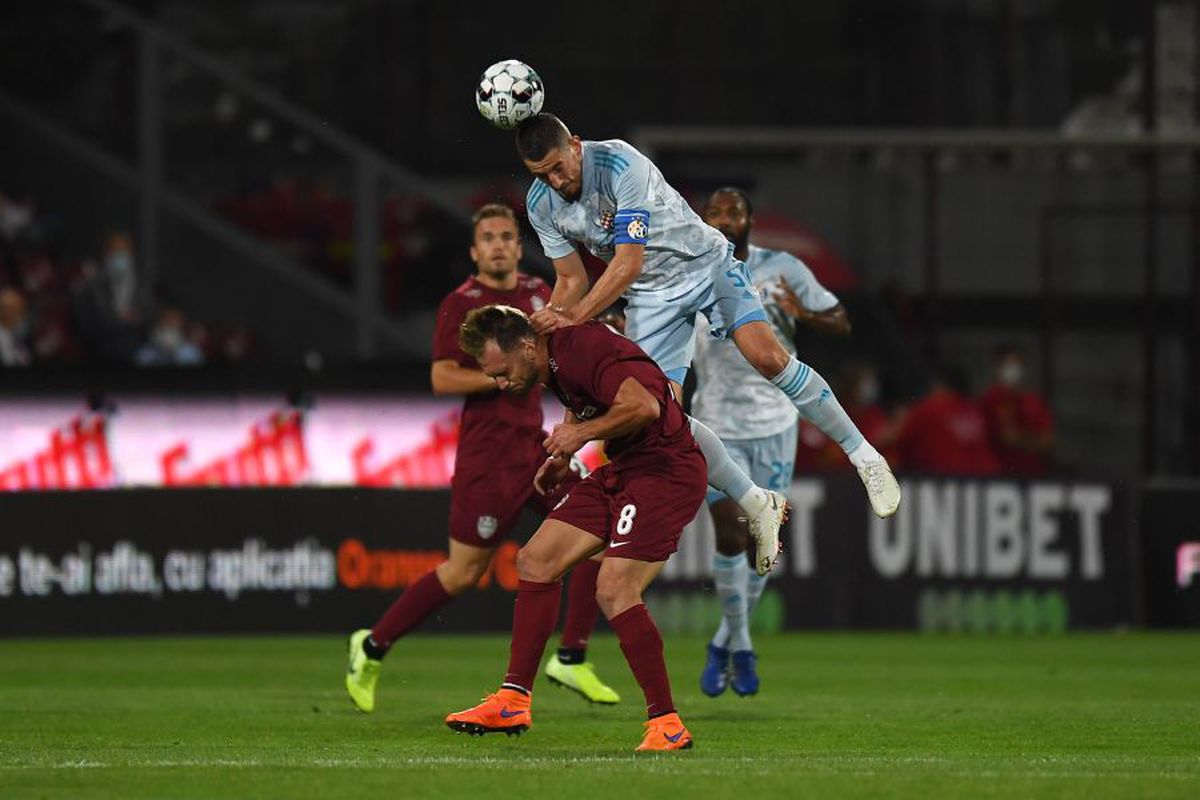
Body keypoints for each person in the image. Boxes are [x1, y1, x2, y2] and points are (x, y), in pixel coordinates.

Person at [513, 114, 899, 578]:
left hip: (704, 267)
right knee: (660, 418)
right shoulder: (540, 202)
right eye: (542, 175)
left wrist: (574, 317)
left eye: (559, 167)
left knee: (768, 357)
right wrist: (553, 332)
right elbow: (571, 279)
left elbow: (628, 262)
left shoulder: (619, 163)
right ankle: (758, 502)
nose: (556, 181)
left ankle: (865, 457)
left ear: (575, 145)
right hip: (652, 298)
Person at [345, 204, 619, 713]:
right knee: (462, 573)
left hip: (535, 446)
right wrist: (501, 376)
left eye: (506, 236)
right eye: (487, 238)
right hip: (487, 456)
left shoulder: (538, 293)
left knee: (602, 525)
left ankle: (572, 655)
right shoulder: (460, 304)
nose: (497, 244)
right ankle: (371, 645)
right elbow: (442, 378)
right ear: (474, 251)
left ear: (519, 245)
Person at [445, 306, 705, 752]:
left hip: (665, 472)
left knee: (614, 588)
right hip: (625, 468)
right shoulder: (553, 363)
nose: (501, 384)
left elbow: (644, 405)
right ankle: (513, 700)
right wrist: (562, 456)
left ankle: (666, 722)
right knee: (535, 560)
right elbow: (581, 401)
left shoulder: (580, 348)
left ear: (527, 347)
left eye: (502, 373)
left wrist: (580, 435)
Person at [692, 187, 850, 698]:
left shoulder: (783, 268)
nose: (722, 220)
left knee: (765, 541)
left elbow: (840, 319)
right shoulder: (685, 269)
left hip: (776, 423)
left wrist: (805, 315)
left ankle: (726, 642)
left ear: (749, 220)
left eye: (731, 212)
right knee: (730, 535)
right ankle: (740, 643)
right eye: (713, 213)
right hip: (716, 424)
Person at [891, 366, 1001, 476]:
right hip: (989, 482)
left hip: (943, 482)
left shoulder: (929, 409)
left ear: (940, 385)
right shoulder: (976, 410)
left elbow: (892, 439)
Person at [980, 343, 1054, 475]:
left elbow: (1047, 441)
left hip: (1033, 475)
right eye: (1008, 365)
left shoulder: (1034, 401)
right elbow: (1007, 438)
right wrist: (1032, 441)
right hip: (999, 476)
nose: (1013, 370)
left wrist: (1021, 440)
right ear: (997, 367)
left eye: (1016, 365)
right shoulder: (990, 400)